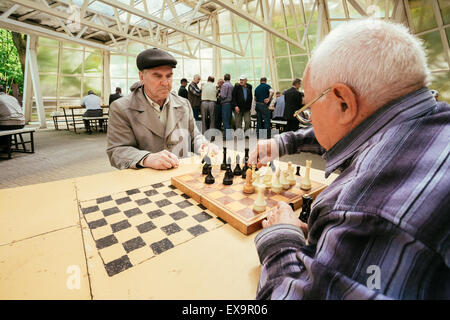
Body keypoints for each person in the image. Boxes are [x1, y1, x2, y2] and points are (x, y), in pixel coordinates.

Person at [248, 19, 450, 299]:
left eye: (308, 109)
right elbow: (359, 132)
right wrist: (285, 142)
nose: (309, 120)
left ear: (343, 101)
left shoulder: (366, 209)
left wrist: (282, 236)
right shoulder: (435, 124)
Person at [107, 48, 218, 170]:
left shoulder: (184, 104)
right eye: (157, 76)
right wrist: (146, 158)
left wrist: (203, 145)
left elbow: (195, 136)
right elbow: (117, 150)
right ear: (141, 77)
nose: (165, 83)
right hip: (145, 181)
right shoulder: (121, 108)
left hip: (181, 176)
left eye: (169, 76)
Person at [219, 74, 234, 140]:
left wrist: (219, 94)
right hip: (230, 104)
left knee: (225, 120)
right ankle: (229, 135)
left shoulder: (224, 85)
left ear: (224, 78)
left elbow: (223, 96)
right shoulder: (231, 85)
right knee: (229, 120)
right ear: (230, 78)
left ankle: (227, 136)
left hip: (225, 104)